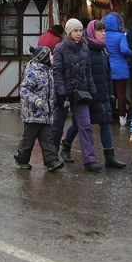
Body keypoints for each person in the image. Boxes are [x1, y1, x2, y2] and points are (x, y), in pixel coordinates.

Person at [62, 19, 126, 168]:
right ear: (92, 32)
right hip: (88, 94)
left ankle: (110, 156)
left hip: (102, 93)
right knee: (80, 124)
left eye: (104, 31)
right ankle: (65, 146)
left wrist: (111, 92)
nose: (103, 34)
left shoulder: (103, 49)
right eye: (99, 31)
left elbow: (107, 72)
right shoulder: (85, 49)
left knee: (105, 123)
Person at [51, 18, 101, 171]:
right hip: (64, 92)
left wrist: (92, 90)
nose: (79, 34)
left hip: (81, 92)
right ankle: (51, 157)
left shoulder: (84, 48)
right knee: (57, 126)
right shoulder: (60, 48)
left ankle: (89, 159)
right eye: (75, 31)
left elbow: (88, 72)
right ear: (69, 32)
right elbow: (57, 72)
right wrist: (60, 93)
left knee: (85, 125)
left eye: (80, 30)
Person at [14, 46, 63, 172]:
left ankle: (51, 160)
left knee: (47, 137)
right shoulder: (33, 72)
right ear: (44, 58)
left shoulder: (49, 71)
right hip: (33, 114)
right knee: (28, 138)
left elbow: (52, 90)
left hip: (46, 113)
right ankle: (22, 158)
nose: (52, 57)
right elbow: (24, 89)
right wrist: (36, 100)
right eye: (50, 55)